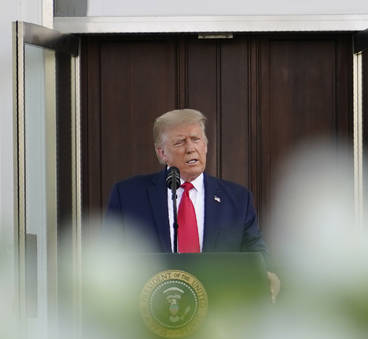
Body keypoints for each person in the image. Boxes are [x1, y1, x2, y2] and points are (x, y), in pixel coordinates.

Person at [106, 108, 279, 297]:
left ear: (205, 146)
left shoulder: (237, 199)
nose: (190, 148)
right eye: (180, 142)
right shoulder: (129, 195)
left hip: (218, 306)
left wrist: (267, 274)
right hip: (151, 304)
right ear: (162, 153)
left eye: (196, 139)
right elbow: (109, 255)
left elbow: (254, 251)